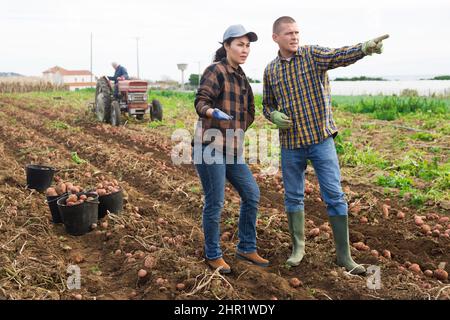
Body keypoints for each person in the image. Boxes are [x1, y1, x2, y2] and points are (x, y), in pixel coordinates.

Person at [262, 16, 389, 275]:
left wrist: (365, 48)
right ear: (276, 37)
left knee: (334, 196)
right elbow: (267, 104)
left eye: (297, 32)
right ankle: (298, 248)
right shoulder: (271, 70)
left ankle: (345, 256)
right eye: (288, 33)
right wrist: (272, 115)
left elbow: (340, 55)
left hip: (321, 140)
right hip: (291, 144)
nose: (294, 37)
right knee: (293, 196)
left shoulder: (312, 55)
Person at [193, 24, 269, 274]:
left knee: (252, 194)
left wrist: (237, 128)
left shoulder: (242, 77)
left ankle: (246, 247)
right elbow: (201, 100)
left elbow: (250, 111)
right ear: (226, 46)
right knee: (215, 201)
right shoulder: (216, 71)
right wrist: (212, 112)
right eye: (239, 44)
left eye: (247, 45)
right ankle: (212, 254)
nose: (245, 49)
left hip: (231, 149)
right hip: (208, 146)